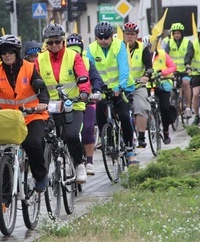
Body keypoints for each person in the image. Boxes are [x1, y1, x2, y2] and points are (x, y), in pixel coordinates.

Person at [0, 34, 50, 192]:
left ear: (16, 53)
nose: (7, 55)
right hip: (9, 119)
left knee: (32, 143)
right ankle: (5, 194)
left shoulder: (29, 68)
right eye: (3, 53)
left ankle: (40, 176)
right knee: (4, 151)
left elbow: (42, 89)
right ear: (0, 56)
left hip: (32, 116)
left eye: (10, 52)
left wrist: (43, 103)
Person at [35, 23, 91, 183]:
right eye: (50, 42)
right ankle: (45, 168)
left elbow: (83, 75)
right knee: (42, 138)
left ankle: (80, 164)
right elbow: (32, 80)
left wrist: (84, 92)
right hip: (49, 105)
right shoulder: (40, 59)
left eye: (57, 41)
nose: (54, 45)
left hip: (72, 104)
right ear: (46, 43)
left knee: (72, 135)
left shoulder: (73, 56)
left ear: (63, 41)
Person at [86, 21, 139, 165]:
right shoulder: (91, 49)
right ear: (96, 37)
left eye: (106, 38)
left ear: (111, 36)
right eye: (100, 38)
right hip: (102, 89)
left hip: (121, 88)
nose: (103, 41)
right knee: (100, 116)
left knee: (123, 115)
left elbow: (124, 68)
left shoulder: (119, 46)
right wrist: (95, 89)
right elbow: (89, 70)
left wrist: (120, 87)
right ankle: (107, 140)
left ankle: (129, 149)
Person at [65, 33, 103, 176]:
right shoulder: (61, 64)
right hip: (68, 104)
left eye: (77, 49)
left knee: (87, 129)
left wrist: (97, 91)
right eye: (71, 49)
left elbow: (96, 79)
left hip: (87, 102)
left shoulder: (87, 62)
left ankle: (89, 161)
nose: (74, 53)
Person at [122, 22, 153, 148]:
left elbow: (149, 67)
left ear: (136, 35)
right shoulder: (118, 48)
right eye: (127, 34)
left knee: (141, 107)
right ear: (123, 35)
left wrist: (145, 76)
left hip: (137, 86)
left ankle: (141, 136)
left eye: (132, 34)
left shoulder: (143, 48)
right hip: (122, 86)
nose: (129, 37)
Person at [142, 35, 177, 144]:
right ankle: (151, 122)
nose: (150, 49)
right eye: (147, 48)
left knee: (165, 107)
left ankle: (166, 131)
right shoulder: (142, 56)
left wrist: (163, 72)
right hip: (148, 85)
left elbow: (173, 67)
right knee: (144, 106)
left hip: (162, 83)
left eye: (151, 47)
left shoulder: (162, 54)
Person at [164, 22, 193, 119]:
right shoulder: (169, 43)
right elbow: (165, 55)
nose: (176, 35)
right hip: (173, 71)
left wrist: (188, 65)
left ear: (181, 33)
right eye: (174, 33)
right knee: (170, 86)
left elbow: (189, 55)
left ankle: (188, 107)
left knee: (185, 83)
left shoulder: (187, 42)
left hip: (184, 70)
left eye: (178, 33)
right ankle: (173, 103)